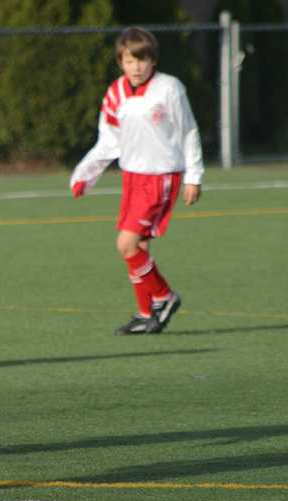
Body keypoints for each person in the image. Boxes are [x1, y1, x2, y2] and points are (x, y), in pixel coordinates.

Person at [70, 26, 203, 336]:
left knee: (126, 244)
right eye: (130, 61)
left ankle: (164, 297)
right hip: (132, 177)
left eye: (142, 60)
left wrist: (194, 176)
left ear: (153, 60)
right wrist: (85, 174)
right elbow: (108, 140)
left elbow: (189, 131)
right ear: (121, 62)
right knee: (138, 246)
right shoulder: (115, 93)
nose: (137, 67)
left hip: (161, 176)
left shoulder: (169, 88)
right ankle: (146, 313)